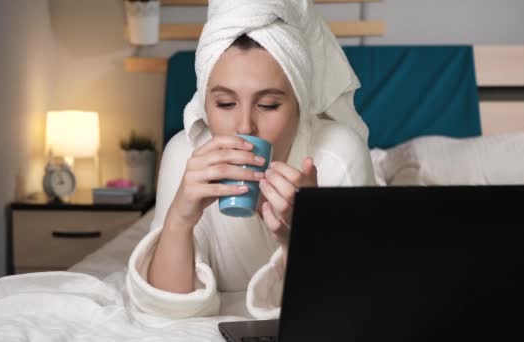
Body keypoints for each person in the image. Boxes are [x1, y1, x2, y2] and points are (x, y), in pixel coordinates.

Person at [126, 0, 376, 320]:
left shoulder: (338, 154)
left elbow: (350, 306)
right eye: (226, 103)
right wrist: (180, 218)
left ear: (300, 106)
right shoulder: (186, 155)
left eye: (269, 104)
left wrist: (305, 234)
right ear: (205, 104)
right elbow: (165, 309)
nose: (245, 126)